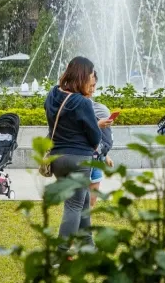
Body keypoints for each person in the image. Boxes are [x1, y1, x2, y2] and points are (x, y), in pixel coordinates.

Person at [44, 57, 112, 244]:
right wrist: (98, 126)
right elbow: (95, 137)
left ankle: (88, 247)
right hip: (78, 160)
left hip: (57, 158)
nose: (92, 78)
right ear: (82, 75)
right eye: (90, 74)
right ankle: (62, 252)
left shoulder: (52, 95)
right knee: (73, 206)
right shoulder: (83, 103)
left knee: (81, 204)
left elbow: (60, 125)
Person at [89, 80, 114, 208]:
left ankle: (87, 222)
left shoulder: (97, 107)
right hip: (84, 159)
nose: (93, 89)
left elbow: (101, 138)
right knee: (80, 199)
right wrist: (97, 124)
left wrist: (106, 156)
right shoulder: (80, 109)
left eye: (94, 86)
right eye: (90, 86)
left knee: (92, 199)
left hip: (98, 159)